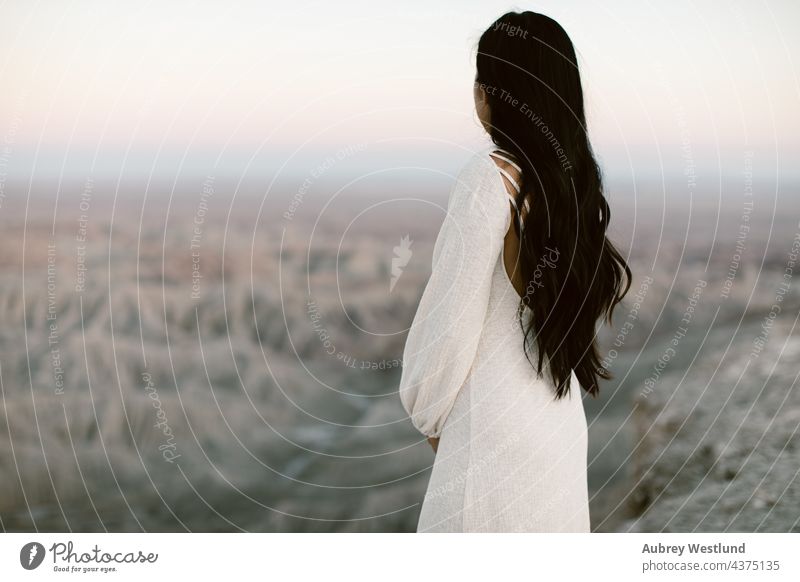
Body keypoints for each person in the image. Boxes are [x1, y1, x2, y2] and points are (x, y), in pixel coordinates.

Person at [398, 10, 631, 532]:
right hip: (557, 422)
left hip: (491, 430)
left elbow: (448, 323)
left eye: (482, 79)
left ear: (495, 93)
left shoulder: (491, 179)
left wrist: (430, 414)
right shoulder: (574, 187)